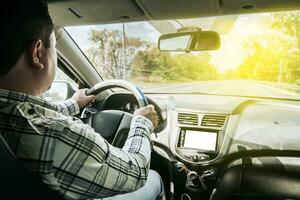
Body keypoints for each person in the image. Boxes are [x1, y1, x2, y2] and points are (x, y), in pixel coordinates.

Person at [0, 1, 165, 199]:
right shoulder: (56, 132)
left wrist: (74, 103)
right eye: (55, 47)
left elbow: (30, 112)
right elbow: (134, 172)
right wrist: (142, 123)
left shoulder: (12, 112)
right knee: (154, 178)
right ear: (37, 53)